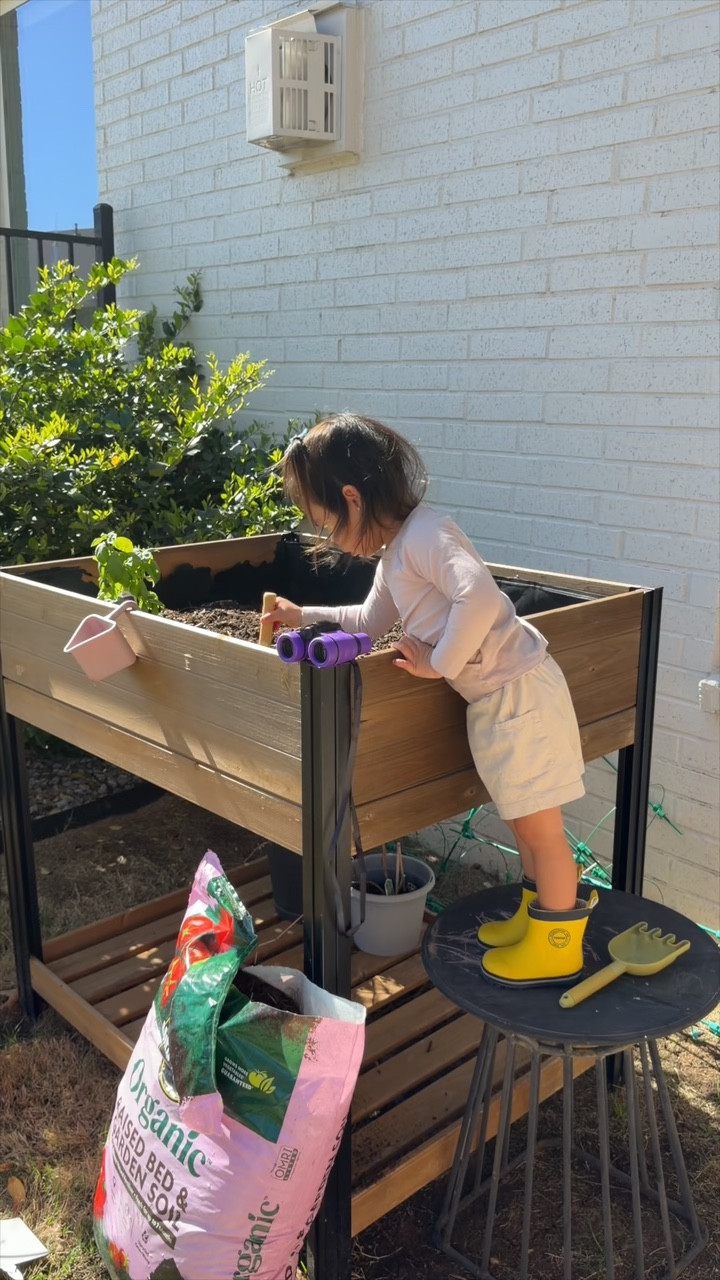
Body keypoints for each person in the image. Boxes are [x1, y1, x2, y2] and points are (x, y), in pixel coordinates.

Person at [261, 413, 594, 986]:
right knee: (523, 826)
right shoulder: (398, 554)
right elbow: (368, 621)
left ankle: (558, 943)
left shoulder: (426, 536)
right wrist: (302, 614)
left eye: (326, 524)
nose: (327, 540)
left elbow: (482, 597)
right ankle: (536, 919)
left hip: (521, 698)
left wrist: (440, 665)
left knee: (543, 832)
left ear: (352, 497)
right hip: (501, 699)